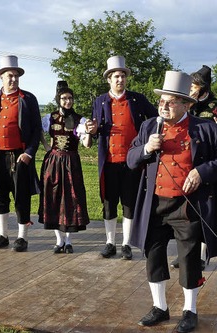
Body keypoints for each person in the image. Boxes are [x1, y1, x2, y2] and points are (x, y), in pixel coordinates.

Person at [127, 71, 217, 332]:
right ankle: (160, 307)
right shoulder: (148, 127)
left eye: (171, 102)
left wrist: (202, 172)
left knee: (189, 258)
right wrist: (145, 149)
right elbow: (131, 159)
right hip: (155, 203)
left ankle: (190, 310)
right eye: (161, 102)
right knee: (153, 255)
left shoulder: (205, 128)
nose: (164, 106)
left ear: (186, 104)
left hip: (187, 205)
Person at [85, 55, 157, 260]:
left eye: (122, 76)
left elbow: (154, 120)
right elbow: (96, 128)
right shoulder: (100, 101)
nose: (120, 80)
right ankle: (110, 242)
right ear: (109, 79)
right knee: (109, 203)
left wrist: (146, 142)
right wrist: (94, 128)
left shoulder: (137, 99)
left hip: (132, 161)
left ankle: (126, 243)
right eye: (116, 76)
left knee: (129, 203)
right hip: (108, 161)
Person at [170, 65, 217, 270]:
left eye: (194, 85)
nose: (191, 89)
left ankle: (199, 255)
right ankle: (186, 252)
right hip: (186, 165)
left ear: (203, 87)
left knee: (204, 212)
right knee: (186, 212)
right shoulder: (185, 105)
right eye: (189, 85)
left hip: (210, 166)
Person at [0, 55, 41, 252]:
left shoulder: (28, 99)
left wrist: (29, 152)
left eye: (16, 76)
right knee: (0, 196)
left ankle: (21, 237)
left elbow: (36, 130)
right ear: (1, 77)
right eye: (10, 76)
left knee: (21, 196)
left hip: (19, 155)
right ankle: (3, 235)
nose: (14, 79)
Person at [38, 81, 91, 254]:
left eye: (70, 98)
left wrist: (88, 134)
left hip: (71, 163)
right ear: (58, 99)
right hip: (53, 162)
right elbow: (39, 132)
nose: (67, 101)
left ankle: (68, 240)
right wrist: (48, 149)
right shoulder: (50, 118)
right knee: (53, 198)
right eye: (64, 98)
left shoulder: (79, 120)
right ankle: (59, 240)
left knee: (70, 199)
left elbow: (86, 144)